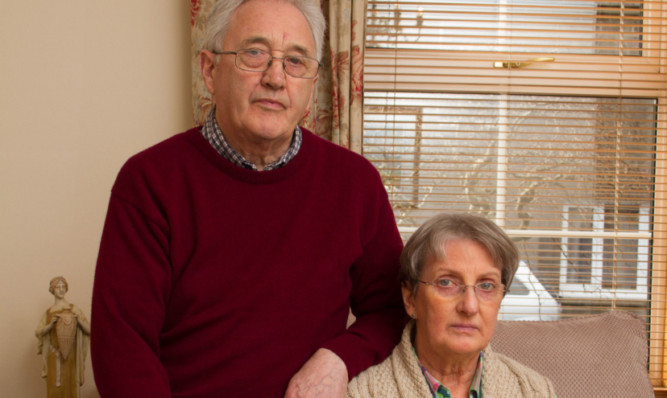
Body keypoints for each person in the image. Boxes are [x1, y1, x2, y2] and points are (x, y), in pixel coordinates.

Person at [90, 0, 405, 396]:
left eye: (296, 61)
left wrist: (338, 358)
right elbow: (123, 348)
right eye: (254, 53)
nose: (276, 77)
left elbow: (392, 310)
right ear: (209, 70)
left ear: (313, 83)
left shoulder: (356, 184)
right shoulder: (149, 182)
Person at [346, 213, 557, 397]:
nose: (469, 306)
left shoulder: (534, 391)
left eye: (486, 285)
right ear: (411, 299)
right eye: (446, 282)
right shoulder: (360, 392)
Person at [36, 276, 91, 398]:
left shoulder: (74, 309)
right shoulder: (49, 312)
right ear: (52, 290)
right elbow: (39, 332)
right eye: (58, 287)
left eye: (63, 287)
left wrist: (79, 321)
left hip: (70, 356)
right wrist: (50, 325)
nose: (61, 289)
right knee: (54, 388)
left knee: (70, 386)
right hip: (53, 354)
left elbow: (89, 330)